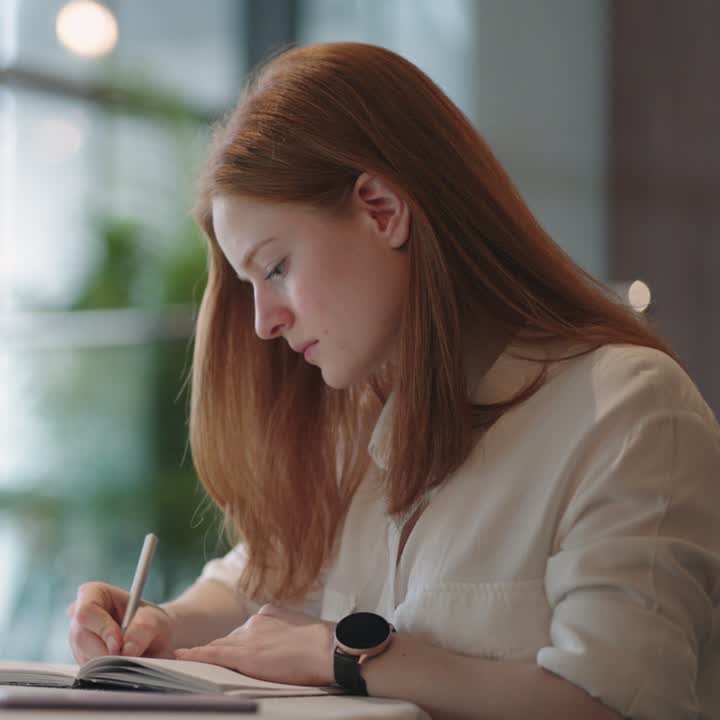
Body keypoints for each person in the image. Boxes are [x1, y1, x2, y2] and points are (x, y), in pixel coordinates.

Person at [66, 42, 720, 719]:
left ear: (382, 208)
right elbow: (263, 580)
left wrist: (346, 658)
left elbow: (615, 705)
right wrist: (160, 623)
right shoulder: (358, 424)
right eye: (250, 283)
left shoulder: (630, 414)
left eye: (277, 267)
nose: (264, 322)